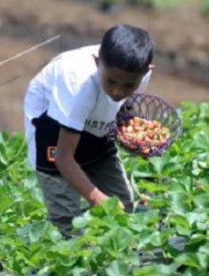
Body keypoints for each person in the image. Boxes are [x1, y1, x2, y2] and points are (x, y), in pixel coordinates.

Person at [23, 24, 154, 237]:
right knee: (66, 219)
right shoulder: (78, 85)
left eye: (128, 85)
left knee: (124, 206)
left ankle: (104, 250)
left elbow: (126, 104)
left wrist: (133, 135)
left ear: (146, 72)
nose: (118, 91)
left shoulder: (137, 72)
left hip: (94, 119)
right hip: (51, 120)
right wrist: (97, 198)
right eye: (111, 81)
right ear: (96, 62)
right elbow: (63, 157)